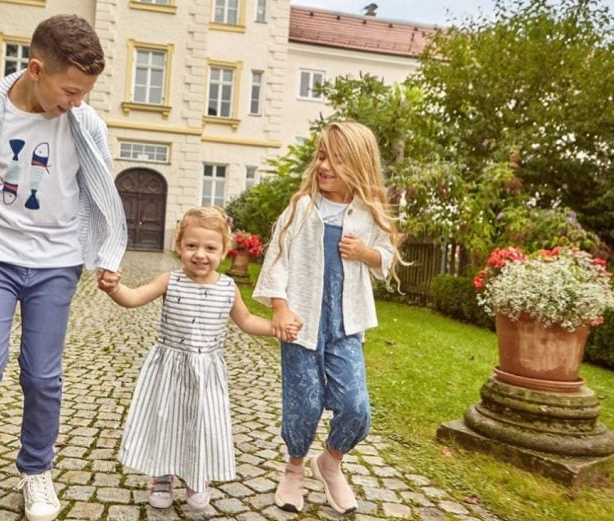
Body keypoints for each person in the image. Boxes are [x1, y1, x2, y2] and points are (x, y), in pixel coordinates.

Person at [0, 14, 127, 521]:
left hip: (56, 262)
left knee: (42, 377)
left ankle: (37, 470)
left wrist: (106, 255)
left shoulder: (87, 123)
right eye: (69, 91)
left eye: (84, 92)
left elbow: (101, 191)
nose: (76, 102)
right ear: (36, 68)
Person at [104, 207, 300, 510]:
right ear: (179, 246)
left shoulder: (227, 287)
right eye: (192, 246)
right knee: (165, 420)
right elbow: (133, 299)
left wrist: (276, 329)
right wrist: (115, 288)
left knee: (202, 423)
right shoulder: (170, 280)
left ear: (223, 251)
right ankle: (162, 475)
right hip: (169, 369)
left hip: (207, 371)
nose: (200, 254)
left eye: (210, 248)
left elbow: (247, 321)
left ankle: (197, 475)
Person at [253, 121, 403, 514]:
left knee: (356, 406)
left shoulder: (368, 213)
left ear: (359, 166)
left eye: (336, 161)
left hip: (345, 324)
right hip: (301, 323)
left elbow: (386, 259)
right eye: (321, 156)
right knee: (305, 403)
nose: (324, 166)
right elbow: (277, 259)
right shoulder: (303, 207)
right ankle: (294, 469)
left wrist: (366, 254)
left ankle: (331, 462)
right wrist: (280, 307)